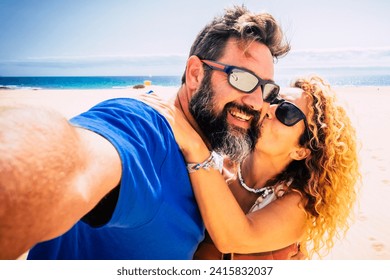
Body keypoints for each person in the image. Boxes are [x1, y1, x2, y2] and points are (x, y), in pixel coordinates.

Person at [0, 5, 290, 260]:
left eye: (265, 88)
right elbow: (68, 159)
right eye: (241, 78)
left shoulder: (208, 165)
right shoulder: (145, 127)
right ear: (195, 74)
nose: (255, 101)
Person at [142, 75, 360, 259]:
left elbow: (235, 238)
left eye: (287, 112)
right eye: (272, 98)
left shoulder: (298, 205)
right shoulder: (219, 161)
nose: (269, 109)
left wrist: (196, 148)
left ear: (301, 151)